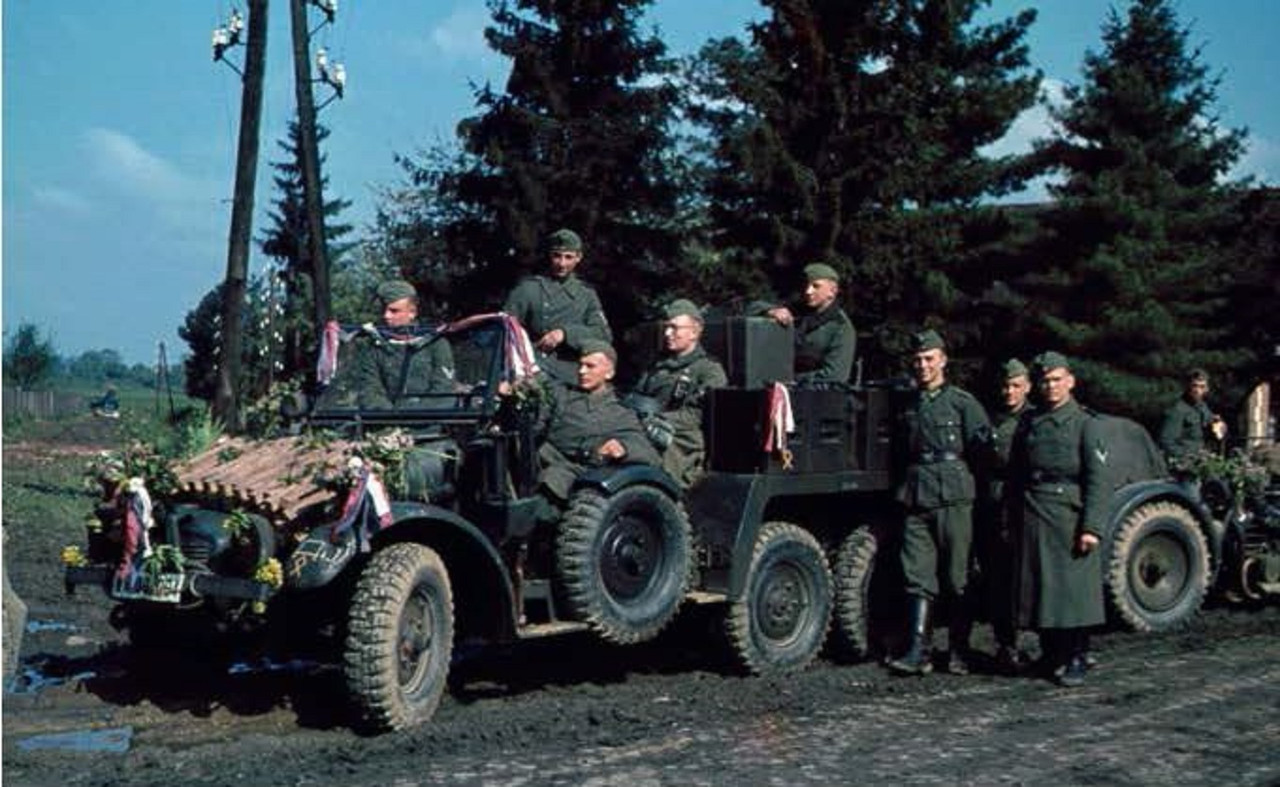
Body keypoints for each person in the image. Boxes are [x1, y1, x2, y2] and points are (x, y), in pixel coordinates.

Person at [887, 329, 992, 676]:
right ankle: (918, 650)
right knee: (916, 573)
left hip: (954, 498)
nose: (923, 365)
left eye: (929, 359)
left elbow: (982, 453)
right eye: (917, 360)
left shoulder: (963, 403)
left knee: (957, 576)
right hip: (916, 495)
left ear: (943, 360)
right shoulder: (908, 404)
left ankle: (959, 649)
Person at [1009, 351, 1109, 688]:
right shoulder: (1030, 421)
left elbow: (1098, 480)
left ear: (1070, 381)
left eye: (1056, 380)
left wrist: (1091, 527)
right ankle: (1052, 653)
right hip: (1034, 511)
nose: (1051, 386)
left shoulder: (1086, 424)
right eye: (1045, 381)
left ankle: (1077, 654)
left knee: (1072, 591)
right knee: (1043, 590)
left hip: (1069, 516)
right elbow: (1017, 471)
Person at [535, 340, 661, 507]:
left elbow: (649, 454)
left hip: (573, 473)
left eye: (590, 366)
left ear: (609, 373)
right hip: (538, 456)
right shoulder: (561, 393)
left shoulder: (619, 413)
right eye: (581, 365)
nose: (582, 371)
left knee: (550, 485)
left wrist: (623, 449)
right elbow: (538, 416)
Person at [973, 358, 1032, 674]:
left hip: (1023, 503)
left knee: (1026, 578)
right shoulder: (992, 419)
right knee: (997, 578)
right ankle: (1006, 644)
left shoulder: (1035, 420)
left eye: (1016, 386)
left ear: (1027, 387)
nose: (1009, 392)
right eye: (1006, 386)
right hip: (992, 503)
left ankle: (1049, 644)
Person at [631, 299, 728, 488]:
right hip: (647, 427)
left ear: (694, 332)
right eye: (667, 327)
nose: (668, 333)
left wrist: (655, 420)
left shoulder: (708, 370)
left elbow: (697, 415)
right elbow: (638, 397)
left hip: (682, 440)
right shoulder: (657, 365)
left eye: (675, 328)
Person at [503, 228, 613, 384]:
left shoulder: (586, 295)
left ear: (578, 257)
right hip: (532, 372)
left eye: (568, 257)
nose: (562, 263)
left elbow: (603, 334)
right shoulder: (528, 289)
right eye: (557, 256)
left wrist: (565, 334)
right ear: (550, 255)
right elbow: (506, 330)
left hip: (572, 376)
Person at [350, 279, 455, 408]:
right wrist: (392, 417)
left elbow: (443, 394)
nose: (386, 316)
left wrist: (411, 415)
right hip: (384, 419)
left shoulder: (435, 344)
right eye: (383, 310)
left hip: (429, 419)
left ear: (412, 312)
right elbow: (369, 393)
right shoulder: (374, 345)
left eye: (394, 311)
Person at [759, 262, 856, 384]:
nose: (808, 291)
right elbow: (751, 308)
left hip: (814, 392)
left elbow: (834, 376)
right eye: (806, 285)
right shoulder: (797, 310)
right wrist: (771, 311)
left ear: (832, 291)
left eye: (816, 286)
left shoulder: (840, 327)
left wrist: (789, 379)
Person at [1158, 368, 1227, 464]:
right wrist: (1187, 457)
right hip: (1185, 463)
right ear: (1187, 386)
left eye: (1202, 387)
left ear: (1207, 389)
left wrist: (1220, 426)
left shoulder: (1203, 407)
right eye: (1194, 386)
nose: (1198, 390)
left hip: (1204, 459)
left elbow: (1213, 427)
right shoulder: (1177, 410)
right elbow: (1166, 442)